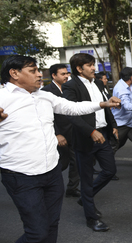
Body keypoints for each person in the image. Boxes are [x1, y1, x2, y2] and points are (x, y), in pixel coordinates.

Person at [0, 55, 120, 243]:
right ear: (14, 73)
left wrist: (102, 104)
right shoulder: (3, 97)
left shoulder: (44, 95)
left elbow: (72, 107)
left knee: (51, 226)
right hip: (21, 176)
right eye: (33, 71)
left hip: (52, 173)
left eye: (39, 70)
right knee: (36, 232)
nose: (40, 75)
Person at [62, 53, 120, 232]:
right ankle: (91, 218)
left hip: (102, 134)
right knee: (86, 180)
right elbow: (71, 113)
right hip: (86, 138)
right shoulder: (70, 86)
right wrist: (91, 131)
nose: (94, 68)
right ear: (79, 69)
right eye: (90, 65)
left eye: (93, 64)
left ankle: (85, 198)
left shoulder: (97, 83)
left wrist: (113, 126)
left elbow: (105, 104)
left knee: (110, 171)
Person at [42, 64, 81, 198]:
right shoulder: (46, 91)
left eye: (67, 73)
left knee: (75, 161)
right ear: (54, 75)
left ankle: (72, 187)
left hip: (72, 131)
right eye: (63, 74)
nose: (66, 76)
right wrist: (57, 133)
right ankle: (46, 187)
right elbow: (47, 116)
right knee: (61, 163)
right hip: (58, 134)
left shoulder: (69, 88)